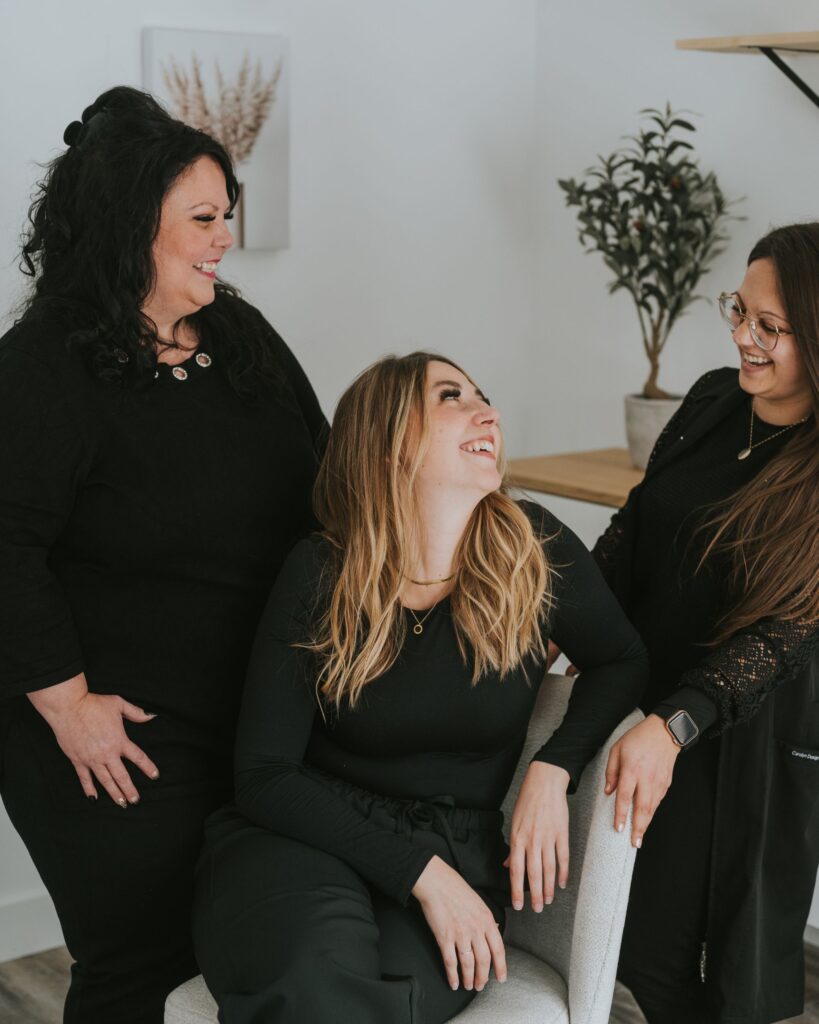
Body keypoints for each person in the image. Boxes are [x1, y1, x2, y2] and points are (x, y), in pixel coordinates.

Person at [192, 351, 649, 1023]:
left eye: (481, 396)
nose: (487, 413)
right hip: (306, 840)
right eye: (450, 397)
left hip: (456, 852)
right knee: (313, 984)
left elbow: (621, 659)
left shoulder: (534, 548)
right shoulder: (322, 570)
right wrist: (424, 878)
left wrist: (553, 770)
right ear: (386, 444)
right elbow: (264, 774)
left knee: (376, 1007)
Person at [0, 86, 327, 1024]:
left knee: (233, 950)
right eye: (203, 218)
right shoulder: (41, 367)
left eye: (228, 214)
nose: (226, 237)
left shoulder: (237, 334)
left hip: (251, 714)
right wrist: (69, 707)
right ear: (127, 224)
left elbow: (328, 476)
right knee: (139, 961)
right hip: (115, 732)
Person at [575, 223, 818, 1024]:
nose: (743, 337)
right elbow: (636, 526)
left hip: (733, 731)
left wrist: (675, 722)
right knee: (623, 935)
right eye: (737, 311)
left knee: (693, 964)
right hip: (644, 704)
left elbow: (782, 632)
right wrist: (567, 621)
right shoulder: (714, 398)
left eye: (769, 327)